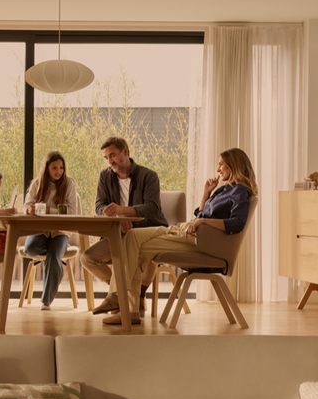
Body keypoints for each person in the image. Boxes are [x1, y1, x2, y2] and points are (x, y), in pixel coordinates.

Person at [103, 147, 257, 325]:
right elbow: (202, 216)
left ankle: (121, 303)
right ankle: (126, 306)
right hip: (188, 232)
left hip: (200, 243)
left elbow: (236, 223)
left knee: (134, 245)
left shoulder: (240, 192)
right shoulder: (224, 190)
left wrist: (203, 222)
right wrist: (206, 194)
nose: (218, 169)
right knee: (132, 239)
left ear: (234, 165)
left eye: (221, 164)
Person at [83, 136, 166, 315]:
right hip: (117, 233)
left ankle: (136, 295)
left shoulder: (148, 176)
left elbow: (152, 209)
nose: (109, 161)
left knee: (145, 256)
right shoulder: (105, 176)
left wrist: (123, 211)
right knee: (87, 258)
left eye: (112, 155)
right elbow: (99, 206)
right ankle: (122, 291)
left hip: (147, 232)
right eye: (106, 157)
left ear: (125, 152)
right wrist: (117, 217)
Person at [21, 151, 81, 309]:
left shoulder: (68, 184)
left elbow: (72, 211)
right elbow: (26, 206)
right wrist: (29, 210)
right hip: (41, 229)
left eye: (61, 167)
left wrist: (48, 211)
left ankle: (46, 301)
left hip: (60, 231)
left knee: (54, 256)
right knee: (30, 248)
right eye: (54, 167)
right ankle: (56, 252)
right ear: (47, 167)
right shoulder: (37, 183)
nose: (58, 171)